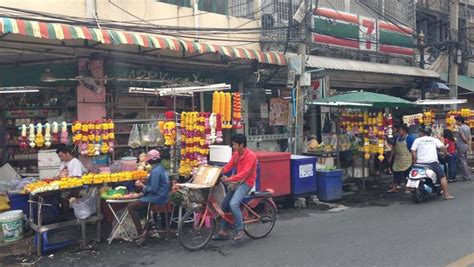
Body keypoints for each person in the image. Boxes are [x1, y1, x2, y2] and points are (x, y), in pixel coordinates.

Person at [212, 134, 257, 241]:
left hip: (246, 183)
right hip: (237, 182)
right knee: (224, 204)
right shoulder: (236, 154)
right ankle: (224, 231)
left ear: (242, 145)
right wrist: (218, 171)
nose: (233, 146)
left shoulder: (251, 156)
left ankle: (240, 229)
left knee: (233, 204)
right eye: (233, 144)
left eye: (235, 144)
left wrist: (229, 179)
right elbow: (228, 166)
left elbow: (245, 173)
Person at [128, 149, 169, 244]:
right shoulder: (161, 168)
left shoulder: (155, 171)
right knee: (141, 203)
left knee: (132, 207)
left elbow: (154, 189)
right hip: (162, 195)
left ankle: (140, 234)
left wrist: (142, 186)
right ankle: (149, 224)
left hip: (157, 197)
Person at [411, 126, 454, 200]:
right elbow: (443, 147)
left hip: (420, 163)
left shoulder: (417, 140)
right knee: (442, 177)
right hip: (432, 163)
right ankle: (446, 195)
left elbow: (413, 150)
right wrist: (446, 153)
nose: (419, 133)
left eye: (420, 132)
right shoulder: (434, 140)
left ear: (422, 132)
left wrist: (415, 159)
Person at [388, 124, 415, 193]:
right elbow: (394, 148)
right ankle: (394, 188)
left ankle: (408, 188)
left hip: (407, 159)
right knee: (396, 174)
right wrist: (391, 157)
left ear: (404, 131)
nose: (398, 131)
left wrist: (414, 159)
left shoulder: (410, 139)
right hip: (398, 159)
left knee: (407, 174)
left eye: (400, 130)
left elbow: (413, 150)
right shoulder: (397, 138)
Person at [455, 116, 472, 181]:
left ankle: (466, 176)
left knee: (462, 161)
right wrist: (469, 144)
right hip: (465, 145)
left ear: (459, 121)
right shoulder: (467, 127)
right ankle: (468, 175)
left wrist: (466, 142)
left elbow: (463, 137)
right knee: (464, 160)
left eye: (456, 121)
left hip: (461, 145)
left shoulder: (461, 128)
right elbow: (470, 136)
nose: (456, 122)